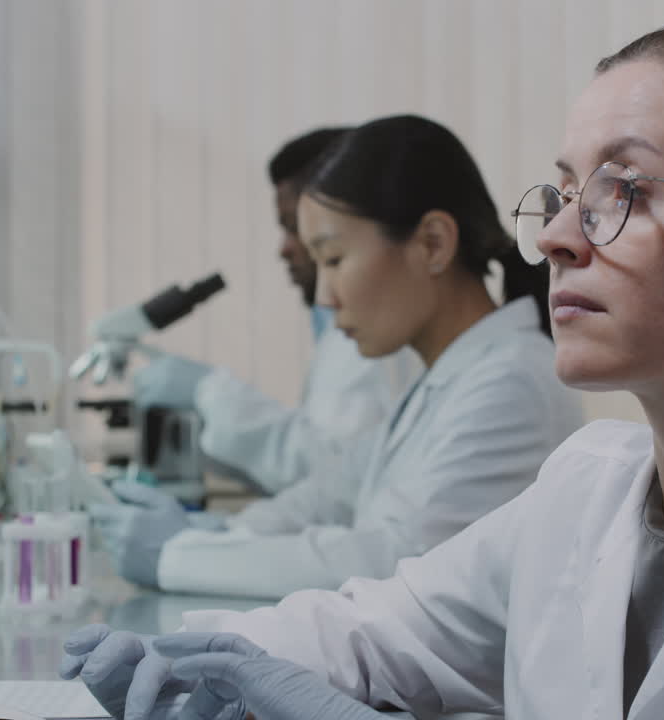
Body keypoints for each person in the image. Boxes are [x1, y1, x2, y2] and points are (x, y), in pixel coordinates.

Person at [63, 23, 664, 720]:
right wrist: (164, 661)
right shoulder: (585, 491)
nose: (557, 241)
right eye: (566, 192)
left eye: (624, 190)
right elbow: (370, 625)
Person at [94, 114, 586, 600]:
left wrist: (179, 556)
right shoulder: (447, 379)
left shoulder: (510, 382)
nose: (325, 297)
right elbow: (329, 494)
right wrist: (207, 535)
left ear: (433, 243)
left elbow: (399, 559)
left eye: (333, 260)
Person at [132, 127, 423, 495]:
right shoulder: (341, 327)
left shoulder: (383, 332)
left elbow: (331, 474)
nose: (285, 250)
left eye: (295, 230)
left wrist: (209, 391)